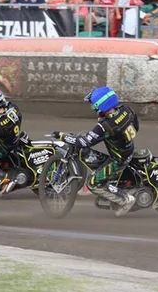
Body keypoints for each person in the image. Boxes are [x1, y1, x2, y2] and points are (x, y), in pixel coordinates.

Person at [57, 86, 139, 216]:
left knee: (93, 183)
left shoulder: (105, 125)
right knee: (86, 153)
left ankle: (125, 199)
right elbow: (136, 126)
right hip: (128, 149)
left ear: (100, 106)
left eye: (93, 104)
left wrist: (62, 136)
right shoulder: (126, 110)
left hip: (118, 160)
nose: (92, 107)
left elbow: (84, 142)